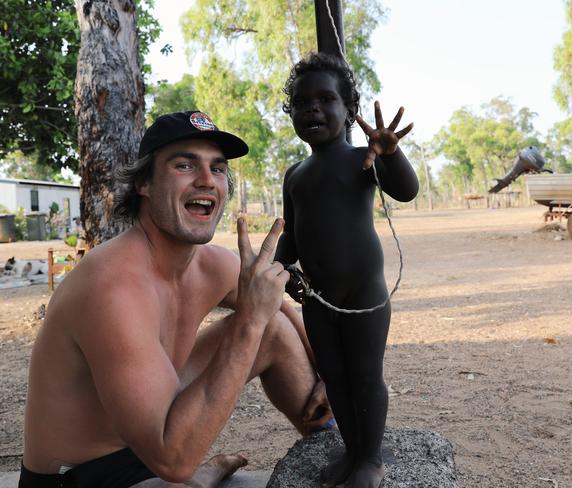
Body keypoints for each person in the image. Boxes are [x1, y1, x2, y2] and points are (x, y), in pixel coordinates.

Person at [20, 110, 332, 488]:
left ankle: (333, 450)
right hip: (85, 475)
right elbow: (173, 461)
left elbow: (278, 307)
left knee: (275, 329)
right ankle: (199, 479)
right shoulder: (111, 287)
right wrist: (249, 321)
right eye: (185, 165)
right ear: (144, 184)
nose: (206, 181)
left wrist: (329, 374)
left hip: (155, 446)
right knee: (254, 325)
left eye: (217, 169)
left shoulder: (211, 264)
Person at [275, 53, 418, 488]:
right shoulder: (295, 175)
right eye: (302, 102)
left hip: (363, 293)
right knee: (334, 376)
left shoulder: (363, 160)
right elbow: (292, 240)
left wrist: (390, 153)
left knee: (365, 374)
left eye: (325, 99)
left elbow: (406, 190)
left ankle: (371, 460)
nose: (312, 108)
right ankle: (352, 451)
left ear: (349, 110)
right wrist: (277, 268)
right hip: (318, 298)